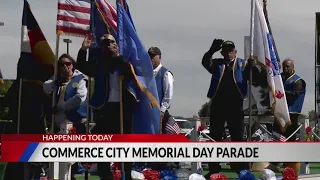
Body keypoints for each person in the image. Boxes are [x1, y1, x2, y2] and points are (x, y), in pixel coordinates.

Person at [77, 34, 135, 180]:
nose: (108, 46)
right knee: (103, 145)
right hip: (104, 108)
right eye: (105, 44)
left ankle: (125, 174)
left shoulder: (124, 62)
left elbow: (131, 75)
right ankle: (105, 175)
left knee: (125, 145)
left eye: (111, 43)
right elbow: (82, 66)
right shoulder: (99, 64)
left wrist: (118, 57)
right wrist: (84, 49)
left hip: (122, 109)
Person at [201, 39, 260, 176]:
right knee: (215, 136)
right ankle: (214, 169)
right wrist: (211, 50)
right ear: (222, 52)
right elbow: (205, 63)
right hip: (218, 104)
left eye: (231, 50)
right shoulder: (217, 64)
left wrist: (254, 66)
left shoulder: (243, 64)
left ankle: (241, 169)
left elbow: (256, 77)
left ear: (235, 51)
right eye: (226, 50)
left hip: (235, 105)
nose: (229, 53)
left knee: (238, 137)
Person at [43, 54, 88, 180]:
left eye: (68, 63)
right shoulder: (57, 78)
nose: (65, 66)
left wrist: (62, 107)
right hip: (57, 123)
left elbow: (79, 97)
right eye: (62, 64)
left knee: (70, 159)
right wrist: (54, 83)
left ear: (73, 64)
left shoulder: (80, 79)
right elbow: (45, 88)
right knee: (56, 156)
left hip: (73, 122)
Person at [268, 58, 306, 172]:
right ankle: (275, 163)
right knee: (277, 138)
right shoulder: (280, 78)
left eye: (287, 66)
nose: (285, 69)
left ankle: (290, 165)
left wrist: (281, 93)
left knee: (290, 139)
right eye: (284, 66)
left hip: (292, 114)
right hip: (280, 112)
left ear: (293, 67)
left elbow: (295, 94)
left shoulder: (298, 81)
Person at [147, 47, 175, 134]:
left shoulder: (165, 73)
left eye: (153, 56)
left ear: (159, 57)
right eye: (149, 56)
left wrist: (162, 110)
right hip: (148, 111)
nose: (151, 58)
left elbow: (168, 94)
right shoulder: (147, 73)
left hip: (159, 111)